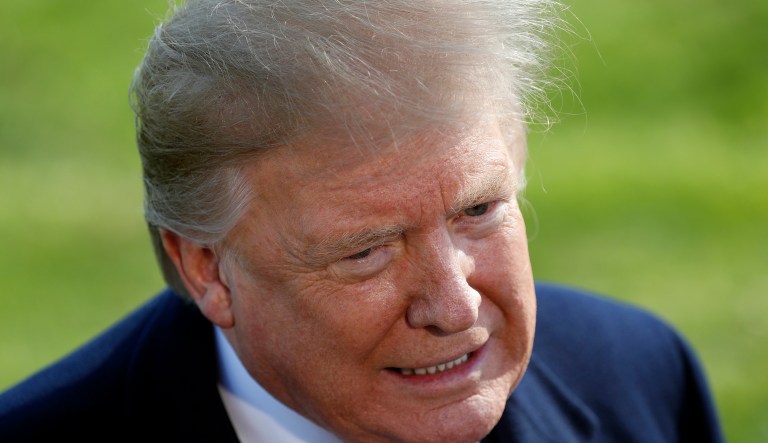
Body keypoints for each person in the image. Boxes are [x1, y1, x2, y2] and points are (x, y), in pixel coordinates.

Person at [0, 0, 723, 441]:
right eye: (368, 250)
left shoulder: (640, 376)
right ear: (207, 267)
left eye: (478, 209)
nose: (455, 304)